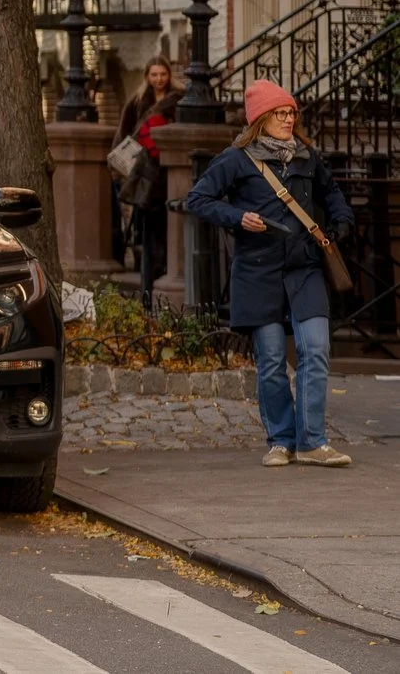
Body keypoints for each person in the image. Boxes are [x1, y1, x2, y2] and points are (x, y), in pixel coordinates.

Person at [185, 80, 356, 468]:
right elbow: (196, 199)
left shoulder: (307, 157)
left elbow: (333, 195)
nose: (287, 119)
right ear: (260, 119)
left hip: (305, 267)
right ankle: (281, 440)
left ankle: (313, 441)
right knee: (273, 359)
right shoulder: (236, 159)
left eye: (291, 113)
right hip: (257, 271)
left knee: (316, 349)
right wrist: (237, 217)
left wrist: (342, 222)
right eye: (280, 113)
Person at [115, 58, 178, 300]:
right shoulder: (137, 102)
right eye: (154, 74)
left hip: (166, 175)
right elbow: (125, 134)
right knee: (148, 236)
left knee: (166, 235)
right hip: (144, 176)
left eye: (163, 74)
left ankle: (158, 286)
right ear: (147, 76)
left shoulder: (177, 100)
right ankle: (147, 291)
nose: (159, 79)